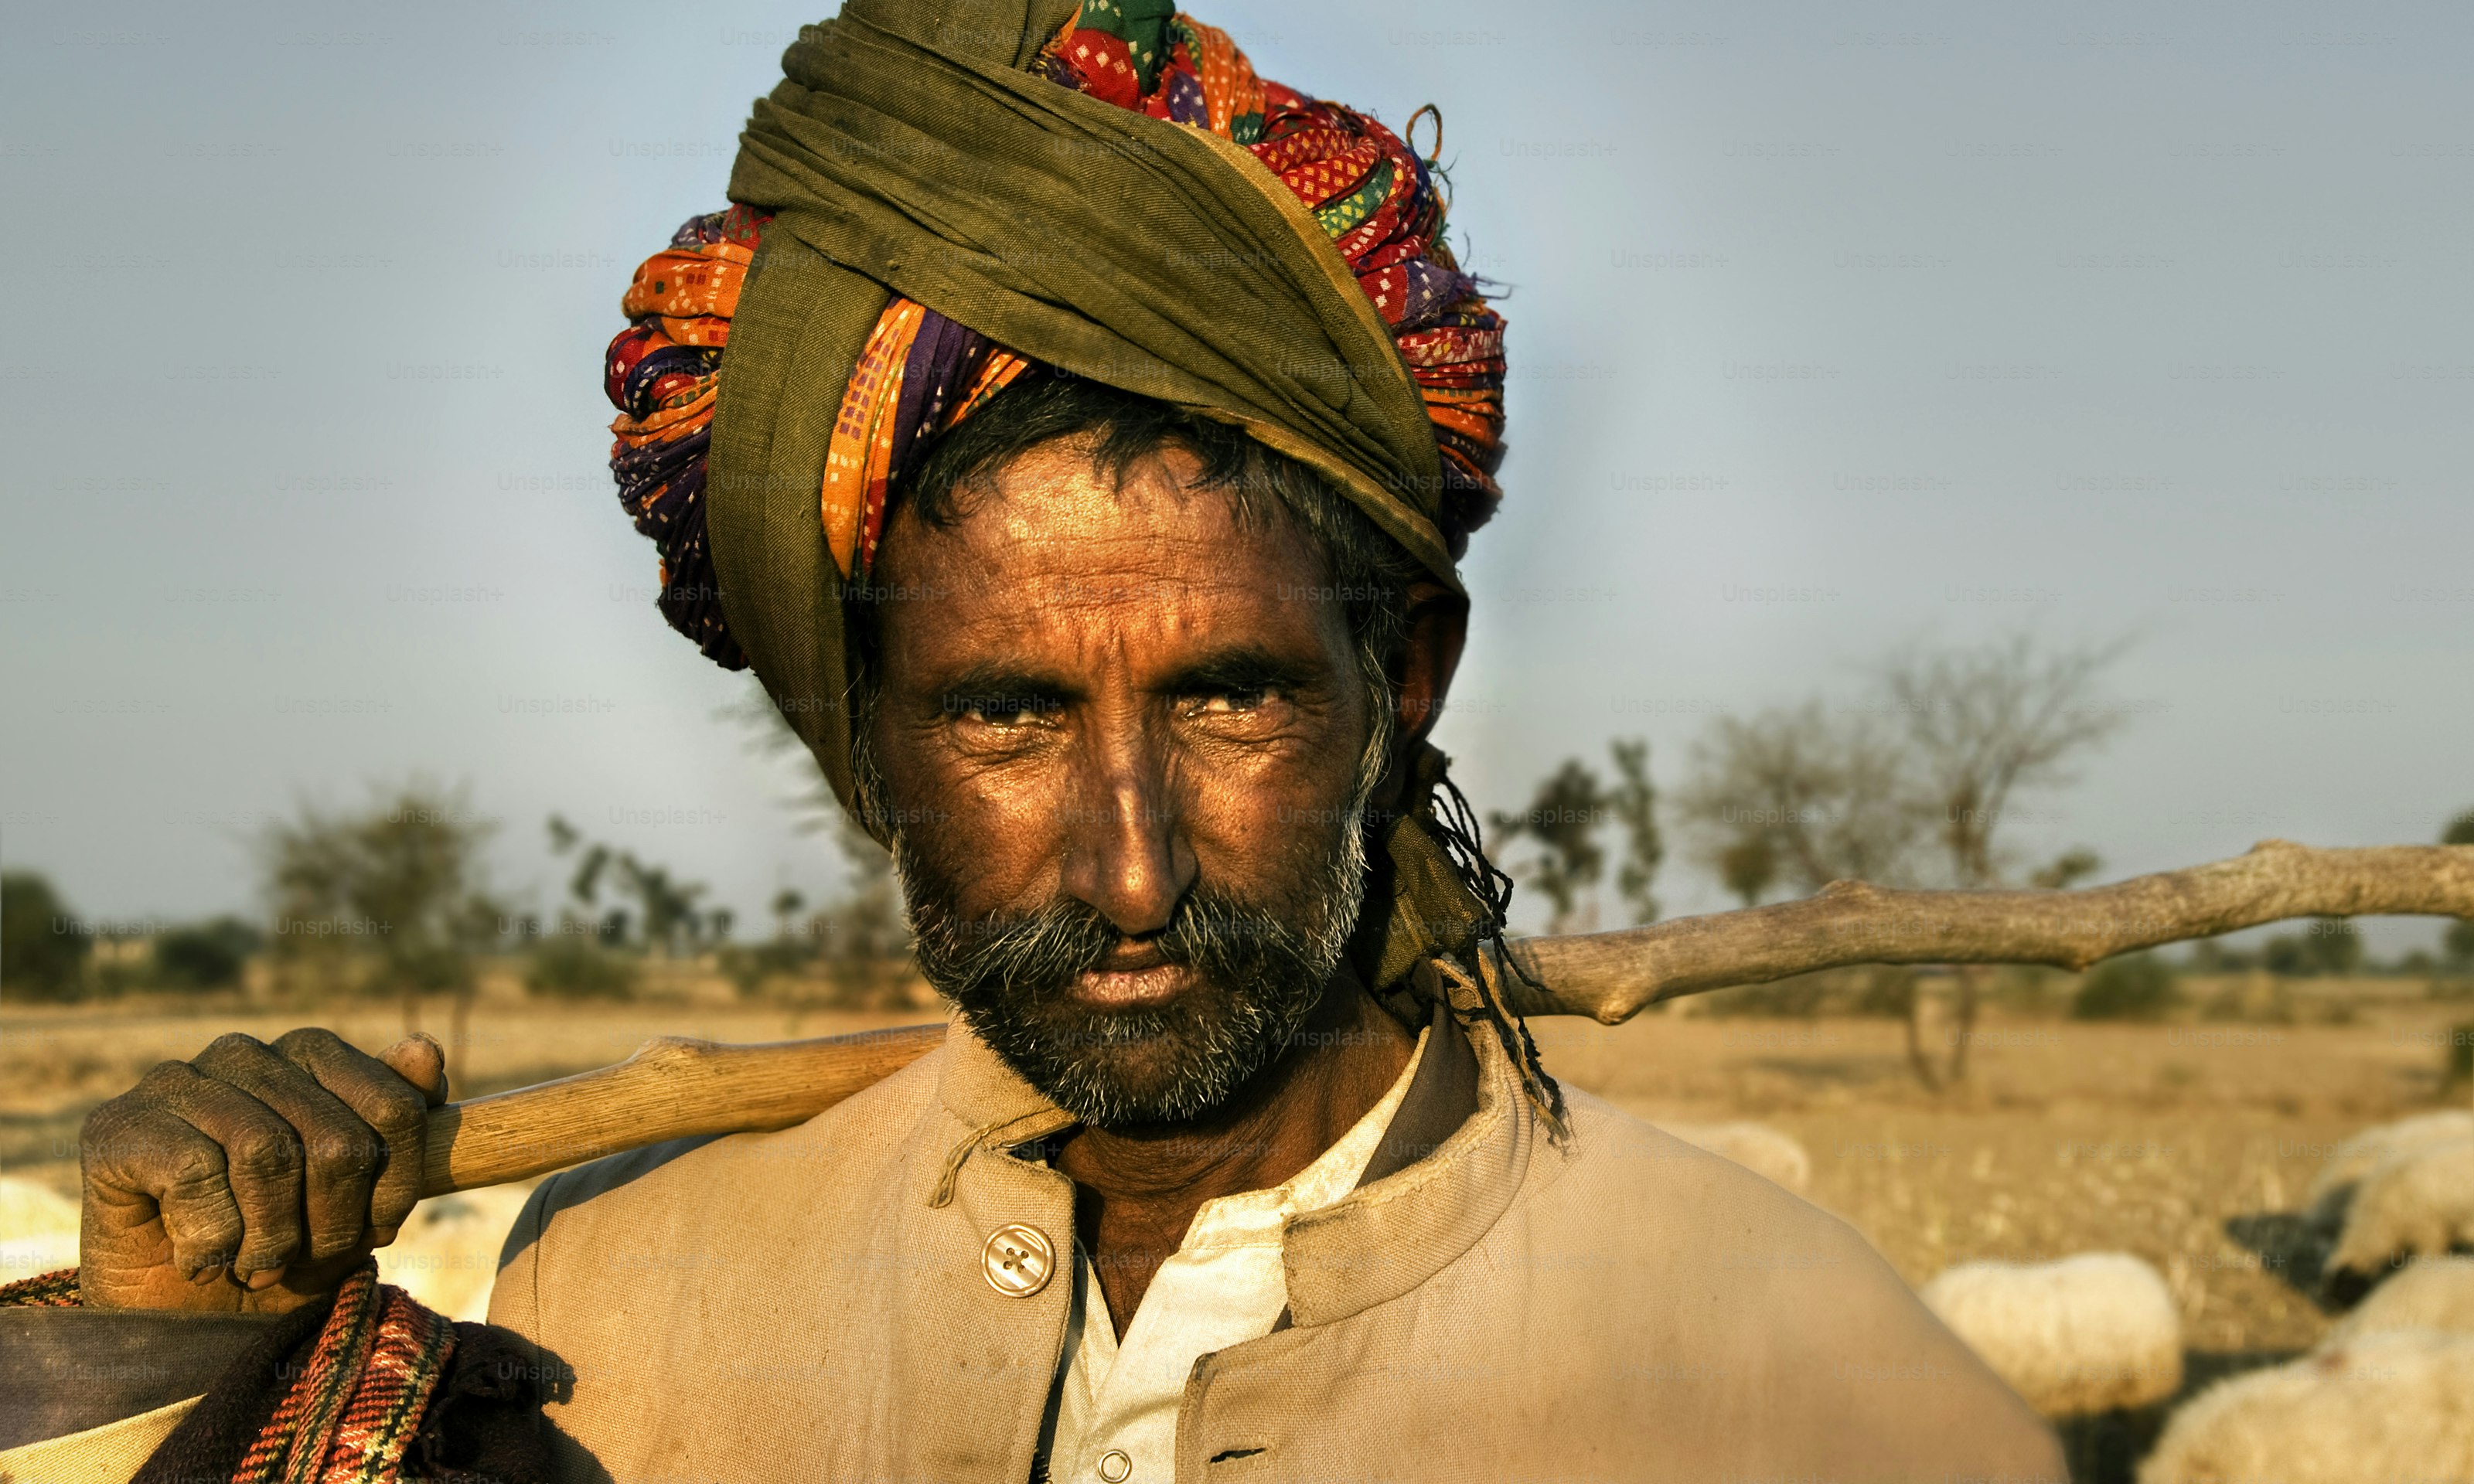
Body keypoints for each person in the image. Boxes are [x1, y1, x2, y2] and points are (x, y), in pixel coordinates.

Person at [3, 4, 2065, 1481]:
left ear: (1402, 677)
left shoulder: (1804, 1383)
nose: (1134, 870)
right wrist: (146, 1332)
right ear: (867, 738)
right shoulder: (612, 1297)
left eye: (1231, 694)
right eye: (1003, 715)